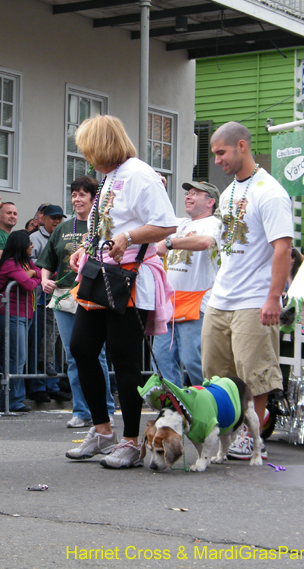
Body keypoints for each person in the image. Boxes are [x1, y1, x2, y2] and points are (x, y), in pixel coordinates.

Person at [65, 115, 177, 469]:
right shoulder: (109, 177)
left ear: (103, 145)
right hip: (102, 275)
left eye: (88, 150)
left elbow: (166, 224)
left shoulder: (140, 175)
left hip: (130, 279)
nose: (86, 158)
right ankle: (102, 429)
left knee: (124, 360)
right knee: (82, 348)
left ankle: (130, 439)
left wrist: (127, 238)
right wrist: (87, 247)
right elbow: (107, 226)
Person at [201, 121, 293, 462]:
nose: (218, 160)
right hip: (222, 296)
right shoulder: (228, 194)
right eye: (215, 154)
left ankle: (252, 436)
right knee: (216, 371)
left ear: (242, 146)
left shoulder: (270, 192)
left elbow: (282, 248)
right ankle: (226, 431)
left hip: (254, 298)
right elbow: (223, 245)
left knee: (254, 373)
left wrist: (273, 298)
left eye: (221, 152)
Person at [36, 176, 116, 428]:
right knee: (73, 355)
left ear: (94, 199)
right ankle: (81, 411)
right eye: (74, 194)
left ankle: (105, 410)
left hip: (92, 294)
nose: (77, 199)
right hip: (63, 296)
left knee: (96, 355)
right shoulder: (62, 228)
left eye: (83, 194)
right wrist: (44, 280)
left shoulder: (104, 226)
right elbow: (46, 263)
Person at [152, 181, 221, 387]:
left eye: (194, 193)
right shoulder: (181, 224)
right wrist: (157, 187)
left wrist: (169, 242)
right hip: (171, 302)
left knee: (193, 360)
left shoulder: (214, 223)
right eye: (187, 193)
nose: (187, 197)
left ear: (211, 201)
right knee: (161, 357)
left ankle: (212, 404)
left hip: (197, 302)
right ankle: (176, 408)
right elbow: (157, 216)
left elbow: (205, 242)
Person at [0, 230, 42, 413]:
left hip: (25, 314)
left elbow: (39, 273)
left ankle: (15, 399)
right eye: (29, 243)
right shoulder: (9, 263)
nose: (32, 246)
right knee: (16, 358)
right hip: (12, 315)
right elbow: (29, 284)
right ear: (22, 245)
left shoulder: (25, 262)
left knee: (18, 357)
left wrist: (31, 274)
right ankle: (13, 400)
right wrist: (31, 275)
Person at [27, 204, 69, 403]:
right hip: (40, 298)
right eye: (53, 218)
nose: (57, 222)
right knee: (41, 342)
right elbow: (31, 264)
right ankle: (38, 385)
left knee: (56, 343)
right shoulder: (34, 238)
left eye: (59, 218)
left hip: (60, 296)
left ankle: (53, 384)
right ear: (43, 218)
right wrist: (48, 271)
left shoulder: (63, 236)